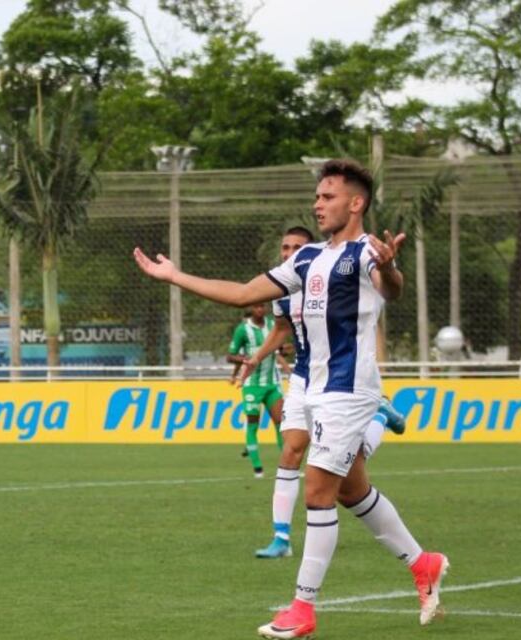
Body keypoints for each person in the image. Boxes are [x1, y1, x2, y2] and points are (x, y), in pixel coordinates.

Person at [135, 159, 448, 638]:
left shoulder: (367, 252)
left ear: (356, 203)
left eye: (328, 197)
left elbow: (392, 289)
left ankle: (302, 609)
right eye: (317, 196)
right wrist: (175, 276)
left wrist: (390, 269)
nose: (317, 204)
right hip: (310, 387)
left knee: (319, 491)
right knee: (349, 491)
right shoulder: (307, 259)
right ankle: (422, 563)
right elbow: (243, 293)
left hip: (348, 391)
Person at [242, 226, 406, 560]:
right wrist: (256, 357)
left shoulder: (334, 278)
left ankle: (377, 416)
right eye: (285, 247)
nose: (289, 254)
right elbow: (281, 329)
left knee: (343, 470)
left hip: (342, 379)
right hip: (303, 376)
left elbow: (380, 299)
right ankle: (281, 537)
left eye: (297, 247)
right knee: (291, 449)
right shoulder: (283, 289)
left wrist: (387, 269)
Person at [227, 303, 286, 478]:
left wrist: (284, 350)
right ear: (251, 309)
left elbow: (279, 347)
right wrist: (242, 359)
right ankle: (257, 468)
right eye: (256, 307)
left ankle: (288, 467)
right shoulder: (243, 330)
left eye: (262, 307)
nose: (260, 310)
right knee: (253, 425)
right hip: (252, 384)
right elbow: (230, 356)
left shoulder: (273, 325)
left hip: (272, 384)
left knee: (281, 423)